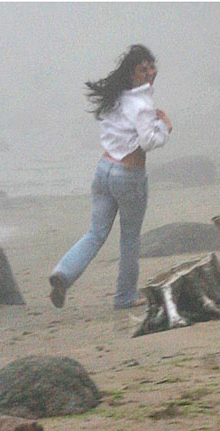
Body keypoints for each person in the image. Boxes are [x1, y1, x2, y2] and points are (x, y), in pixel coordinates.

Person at [49, 44, 172, 310]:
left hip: (104, 170)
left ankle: (63, 273)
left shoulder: (116, 98)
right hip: (129, 175)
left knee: (95, 232)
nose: (150, 72)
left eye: (151, 66)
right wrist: (165, 126)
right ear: (132, 74)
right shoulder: (142, 104)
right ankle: (124, 297)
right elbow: (149, 142)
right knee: (129, 239)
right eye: (143, 69)